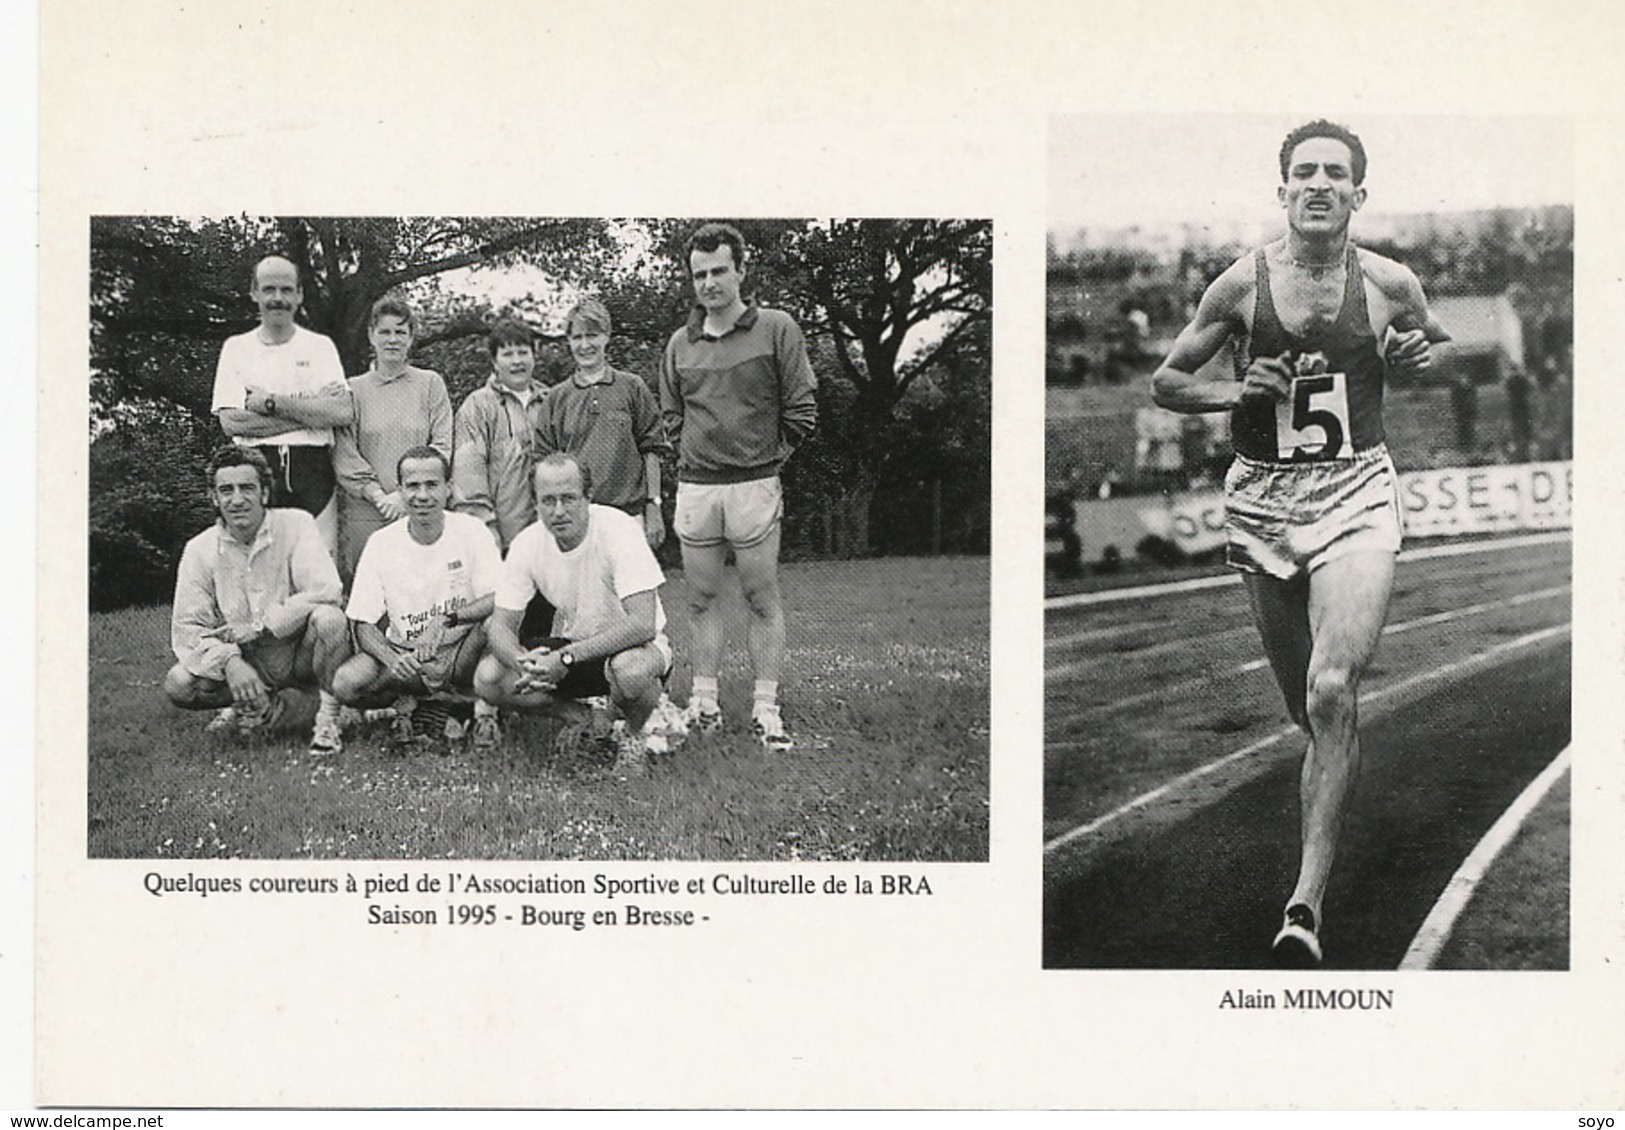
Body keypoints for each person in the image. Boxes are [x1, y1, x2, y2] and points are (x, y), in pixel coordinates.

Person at [1150, 120, 1448, 967]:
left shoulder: (1390, 281)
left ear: (1359, 192)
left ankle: (1302, 909)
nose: (1319, 185)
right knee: (1308, 716)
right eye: (1303, 173)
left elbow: (1430, 344)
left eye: (1335, 174)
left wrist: (1417, 351)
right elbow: (1167, 382)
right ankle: (1336, 765)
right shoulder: (1239, 285)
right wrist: (1232, 393)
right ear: (1281, 189)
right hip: (1262, 502)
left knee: (1328, 691)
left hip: (1354, 489)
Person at [659, 222, 817, 751]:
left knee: (760, 597)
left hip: (754, 486)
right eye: (699, 274)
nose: (709, 282)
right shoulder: (680, 343)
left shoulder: (776, 328)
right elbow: (671, 416)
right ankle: (703, 704)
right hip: (698, 488)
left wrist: (768, 462)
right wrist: (696, 455)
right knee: (701, 599)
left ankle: (765, 709)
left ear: (742, 271)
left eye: (719, 270)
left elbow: (801, 410)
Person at [474, 453, 675, 776]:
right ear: (536, 502)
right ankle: (586, 719)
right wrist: (521, 662)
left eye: (568, 498)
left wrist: (564, 659)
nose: (558, 511)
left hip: (635, 650)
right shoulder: (528, 544)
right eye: (548, 500)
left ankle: (633, 735)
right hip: (576, 649)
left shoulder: (619, 530)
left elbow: (642, 623)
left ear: (589, 497)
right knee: (489, 678)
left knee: (630, 672)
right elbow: (500, 627)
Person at [164, 445, 350, 757]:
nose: (237, 499)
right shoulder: (199, 549)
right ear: (214, 498)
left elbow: (327, 590)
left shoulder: (297, 524)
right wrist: (230, 661)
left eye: (247, 488)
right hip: (247, 659)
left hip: (296, 651)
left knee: (331, 620)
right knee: (180, 683)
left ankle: (327, 719)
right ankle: (265, 705)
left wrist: (263, 625)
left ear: (264, 493)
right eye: (227, 490)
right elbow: (188, 629)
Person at [332, 446, 503, 751]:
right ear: (399, 491)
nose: (422, 495)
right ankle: (416, 701)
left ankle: (484, 711)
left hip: (461, 651)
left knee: (495, 624)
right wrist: (392, 660)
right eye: (412, 486)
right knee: (346, 682)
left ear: (449, 489)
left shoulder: (472, 531)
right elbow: (362, 622)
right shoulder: (382, 543)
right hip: (408, 656)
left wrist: (447, 620)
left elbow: (498, 597)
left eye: (432, 485)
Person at [210, 255, 352, 557]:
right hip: (255, 466)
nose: (278, 298)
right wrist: (311, 414)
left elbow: (341, 411)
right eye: (269, 289)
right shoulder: (236, 348)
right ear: (254, 293)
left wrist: (270, 403)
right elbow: (232, 423)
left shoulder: (320, 346)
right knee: (260, 564)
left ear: (299, 295)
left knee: (319, 566)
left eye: (286, 290)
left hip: (313, 468)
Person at [331, 295, 454, 580]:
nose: (392, 339)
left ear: (411, 338)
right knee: (372, 594)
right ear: (371, 336)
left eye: (400, 332)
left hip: (422, 505)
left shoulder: (430, 384)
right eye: (384, 332)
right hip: (369, 511)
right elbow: (345, 452)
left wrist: (405, 495)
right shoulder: (353, 390)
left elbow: (442, 444)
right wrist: (379, 496)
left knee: (425, 590)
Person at [534, 297, 670, 549]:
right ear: (569, 341)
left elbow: (652, 449)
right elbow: (543, 463)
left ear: (606, 336)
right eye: (577, 337)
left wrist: (654, 505)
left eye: (592, 335)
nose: (585, 345)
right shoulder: (556, 398)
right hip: (577, 520)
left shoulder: (632, 387)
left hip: (628, 516)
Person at [452, 318, 550, 553]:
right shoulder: (477, 406)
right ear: (495, 362)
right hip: (503, 542)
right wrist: (485, 532)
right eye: (507, 354)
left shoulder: (552, 401)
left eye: (522, 352)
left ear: (534, 356)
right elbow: (468, 474)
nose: (516, 361)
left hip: (551, 539)